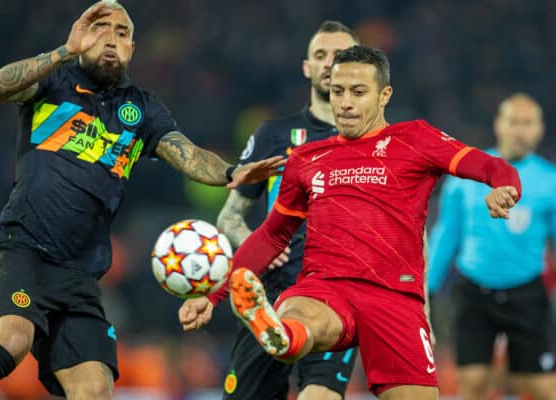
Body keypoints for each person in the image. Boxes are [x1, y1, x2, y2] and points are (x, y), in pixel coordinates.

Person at [0, 2, 284, 399]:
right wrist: (63, 50)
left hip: (78, 275)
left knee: (95, 388)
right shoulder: (54, 82)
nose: (111, 39)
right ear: (82, 35)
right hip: (21, 249)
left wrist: (233, 172)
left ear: (133, 47)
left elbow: (188, 153)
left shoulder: (142, 110)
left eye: (122, 33)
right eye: (100, 29)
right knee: (13, 336)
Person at [179, 45, 522, 400]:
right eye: (338, 91)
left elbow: (492, 166)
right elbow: (271, 235)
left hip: (394, 297)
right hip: (326, 288)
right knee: (300, 315)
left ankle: (285, 334)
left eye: (358, 92)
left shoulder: (416, 139)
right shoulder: (307, 158)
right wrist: (216, 294)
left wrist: (505, 188)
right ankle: (282, 334)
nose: (345, 102)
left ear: (384, 94)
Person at [215, 21, 358, 400]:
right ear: (306, 68)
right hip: (268, 299)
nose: (330, 63)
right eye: (320, 56)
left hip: (337, 298)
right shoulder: (273, 135)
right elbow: (229, 217)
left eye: (340, 56)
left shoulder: (374, 143)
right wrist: (256, 242)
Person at [428, 93, 556, 400]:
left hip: (527, 294)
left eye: (527, 123)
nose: (519, 130)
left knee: (542, 387)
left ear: (540, 129)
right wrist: (426, 289)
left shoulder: (550, 181)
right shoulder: (466, 176)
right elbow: (446, 236)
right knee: (471, 385)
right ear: (499, 125)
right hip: (474, 292)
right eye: (513, 121)